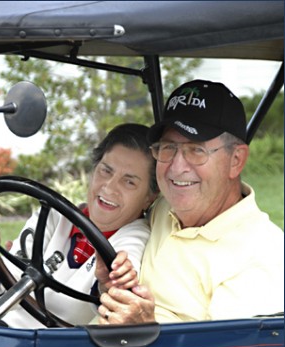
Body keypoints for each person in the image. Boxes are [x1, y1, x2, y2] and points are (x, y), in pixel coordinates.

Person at [97, 79, 284, 324]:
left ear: (236, 160)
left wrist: (145, 331)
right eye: (168, 147)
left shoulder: (262, 255)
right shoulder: (164, 209)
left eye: (196, 150)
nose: (176, 167)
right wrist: (108, 284)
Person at [0, 123, 159, 327]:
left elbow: (118, 286)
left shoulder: (134, 237)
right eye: (105, 171)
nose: (109, 187)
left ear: (149, 197)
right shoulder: (52, 215)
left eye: (129, 182)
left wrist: (108, 285)